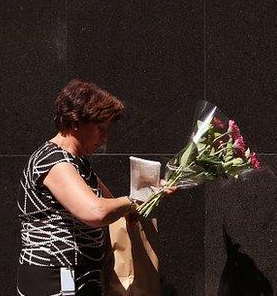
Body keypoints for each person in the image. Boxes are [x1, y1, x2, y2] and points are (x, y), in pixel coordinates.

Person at [16, 79, 172, 295]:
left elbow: (114, 208)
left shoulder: (77, 163)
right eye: (100, 128)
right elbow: (96, 211)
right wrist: (137, 198)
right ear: (76, 121)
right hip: (56, 277)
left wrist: (156, 192)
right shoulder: (52, 160)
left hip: (76, 275)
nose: (104, 137)